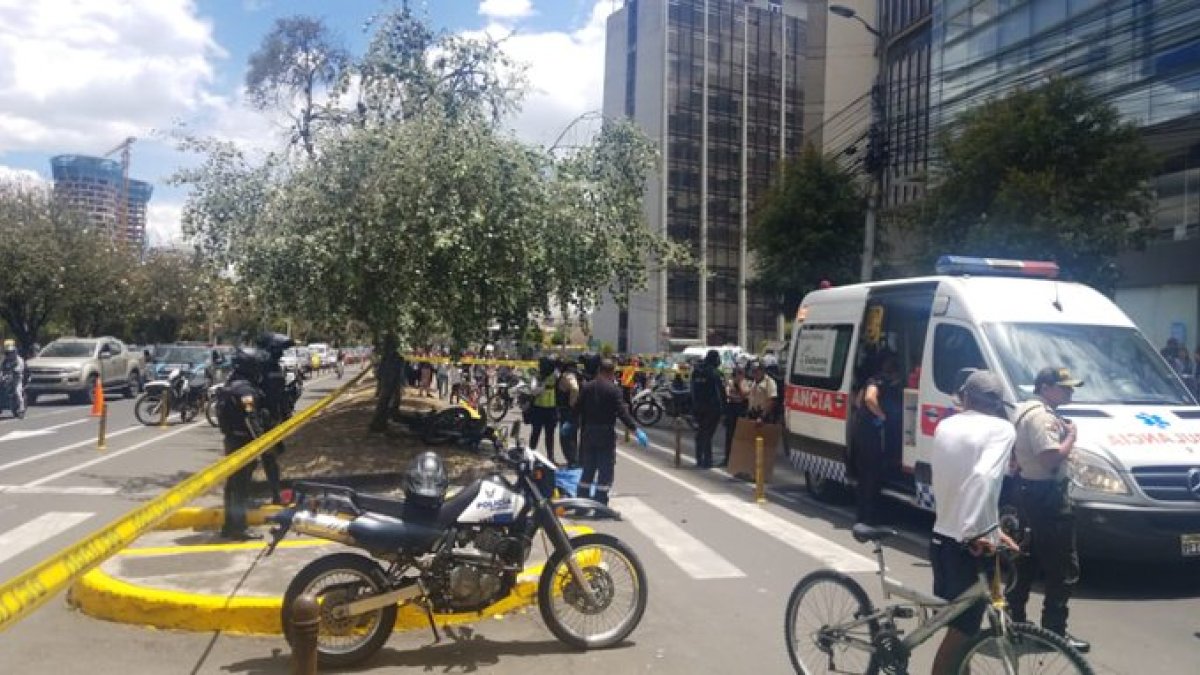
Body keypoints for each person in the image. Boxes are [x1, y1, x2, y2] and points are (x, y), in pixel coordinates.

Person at [929, 369, 1018, 675]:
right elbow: (983, 477)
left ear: (965, 397)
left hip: (942, 539)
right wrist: (975, 530)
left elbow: (961, 481)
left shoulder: (946, 424)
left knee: (959, 629)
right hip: (969, 544)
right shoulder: (1001, 429)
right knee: (962, 636)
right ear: (997, 404)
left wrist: (992, 529)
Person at [1005, 367, 1090, 653]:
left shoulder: (1024, 410)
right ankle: (1054, 632)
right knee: (1063, 567)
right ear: (1045, 387)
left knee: (1024, 561)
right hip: (1047, 497)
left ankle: (1014, 623)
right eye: (1064, 387)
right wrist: (1071, 437)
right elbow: (1050, 459)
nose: (1070, 392)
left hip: (1026, 492)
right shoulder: (1042, 417)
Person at [576, 358, 649, 504]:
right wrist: (635, 429)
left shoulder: (587, 387)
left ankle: (582, 499)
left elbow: (577, 408)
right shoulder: (613, 390)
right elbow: (622, 413)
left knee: (588, 468)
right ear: (612, 372)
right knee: (605, 469)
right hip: (605, 433)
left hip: (589, 432)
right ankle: (600, 501)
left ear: (599, 370)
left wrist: (570, 424)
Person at [216, 347, 270, 540]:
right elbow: (251, 419)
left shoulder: (232, 383)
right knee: (240, 487)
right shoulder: (245, 390)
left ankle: (230, 525)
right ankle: (239, 528)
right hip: (243, 443)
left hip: (232, 440)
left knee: (232, 485)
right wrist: (263, 444)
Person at [850, 355, 891, 525]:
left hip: (861, 433)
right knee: (871, 476)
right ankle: (869, 517)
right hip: (869, 435)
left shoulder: (869, 380)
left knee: (864, 476)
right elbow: (868, 399)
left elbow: (857, 402)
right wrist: (881, 415)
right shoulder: (878, 381)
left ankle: (862, 515)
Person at [690, 350, 726, 469]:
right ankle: (707, 461)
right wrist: (723, 410)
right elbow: (720, 393)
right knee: (707, 434)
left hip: (698, 408)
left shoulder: (696, 371)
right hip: (712, 408)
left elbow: (692, 391)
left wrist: (694, 407)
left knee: (701, 433)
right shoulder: (715, 373)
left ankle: (699, 459)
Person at [528, 357, 560, 462]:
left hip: (550, 408)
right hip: (539, 408)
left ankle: (550, 457)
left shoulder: (554, 374)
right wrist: (542, 388)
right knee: (536, 433)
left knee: (549, 435)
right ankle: (531, 455)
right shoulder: (538, 376)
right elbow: (533, 391)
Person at [722, 365, 750, 466]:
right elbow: (728, 395)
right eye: (737, 373)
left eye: (741, 373)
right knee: (729, 434)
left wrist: (738, 386)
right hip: (731, 408)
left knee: (740, 435)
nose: (739, 375)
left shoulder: (746, 383)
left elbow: (744, 395)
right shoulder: (730, 382)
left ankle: (738, 459)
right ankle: (727, 458)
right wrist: (735, 394)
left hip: (741, 409)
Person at [556, 359, 582, 468]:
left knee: (566, 437)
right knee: (571, 437)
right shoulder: (576, 374)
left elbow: (575, 388)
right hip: (572, 411)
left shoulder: (568, 375)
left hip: (568, 411)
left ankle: (573, 461)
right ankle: (574, 461)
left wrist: (572, 404)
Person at [1, 339, 26, 416]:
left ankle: (21, 408)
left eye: (11, 352)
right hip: (6, 378)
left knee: (17, 391)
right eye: (8, 353)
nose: (10, 354)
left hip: (16, 379)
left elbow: (20, 367)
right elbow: (1, 368)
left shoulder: (19, 360)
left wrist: (17, 370)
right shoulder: (5, 360)